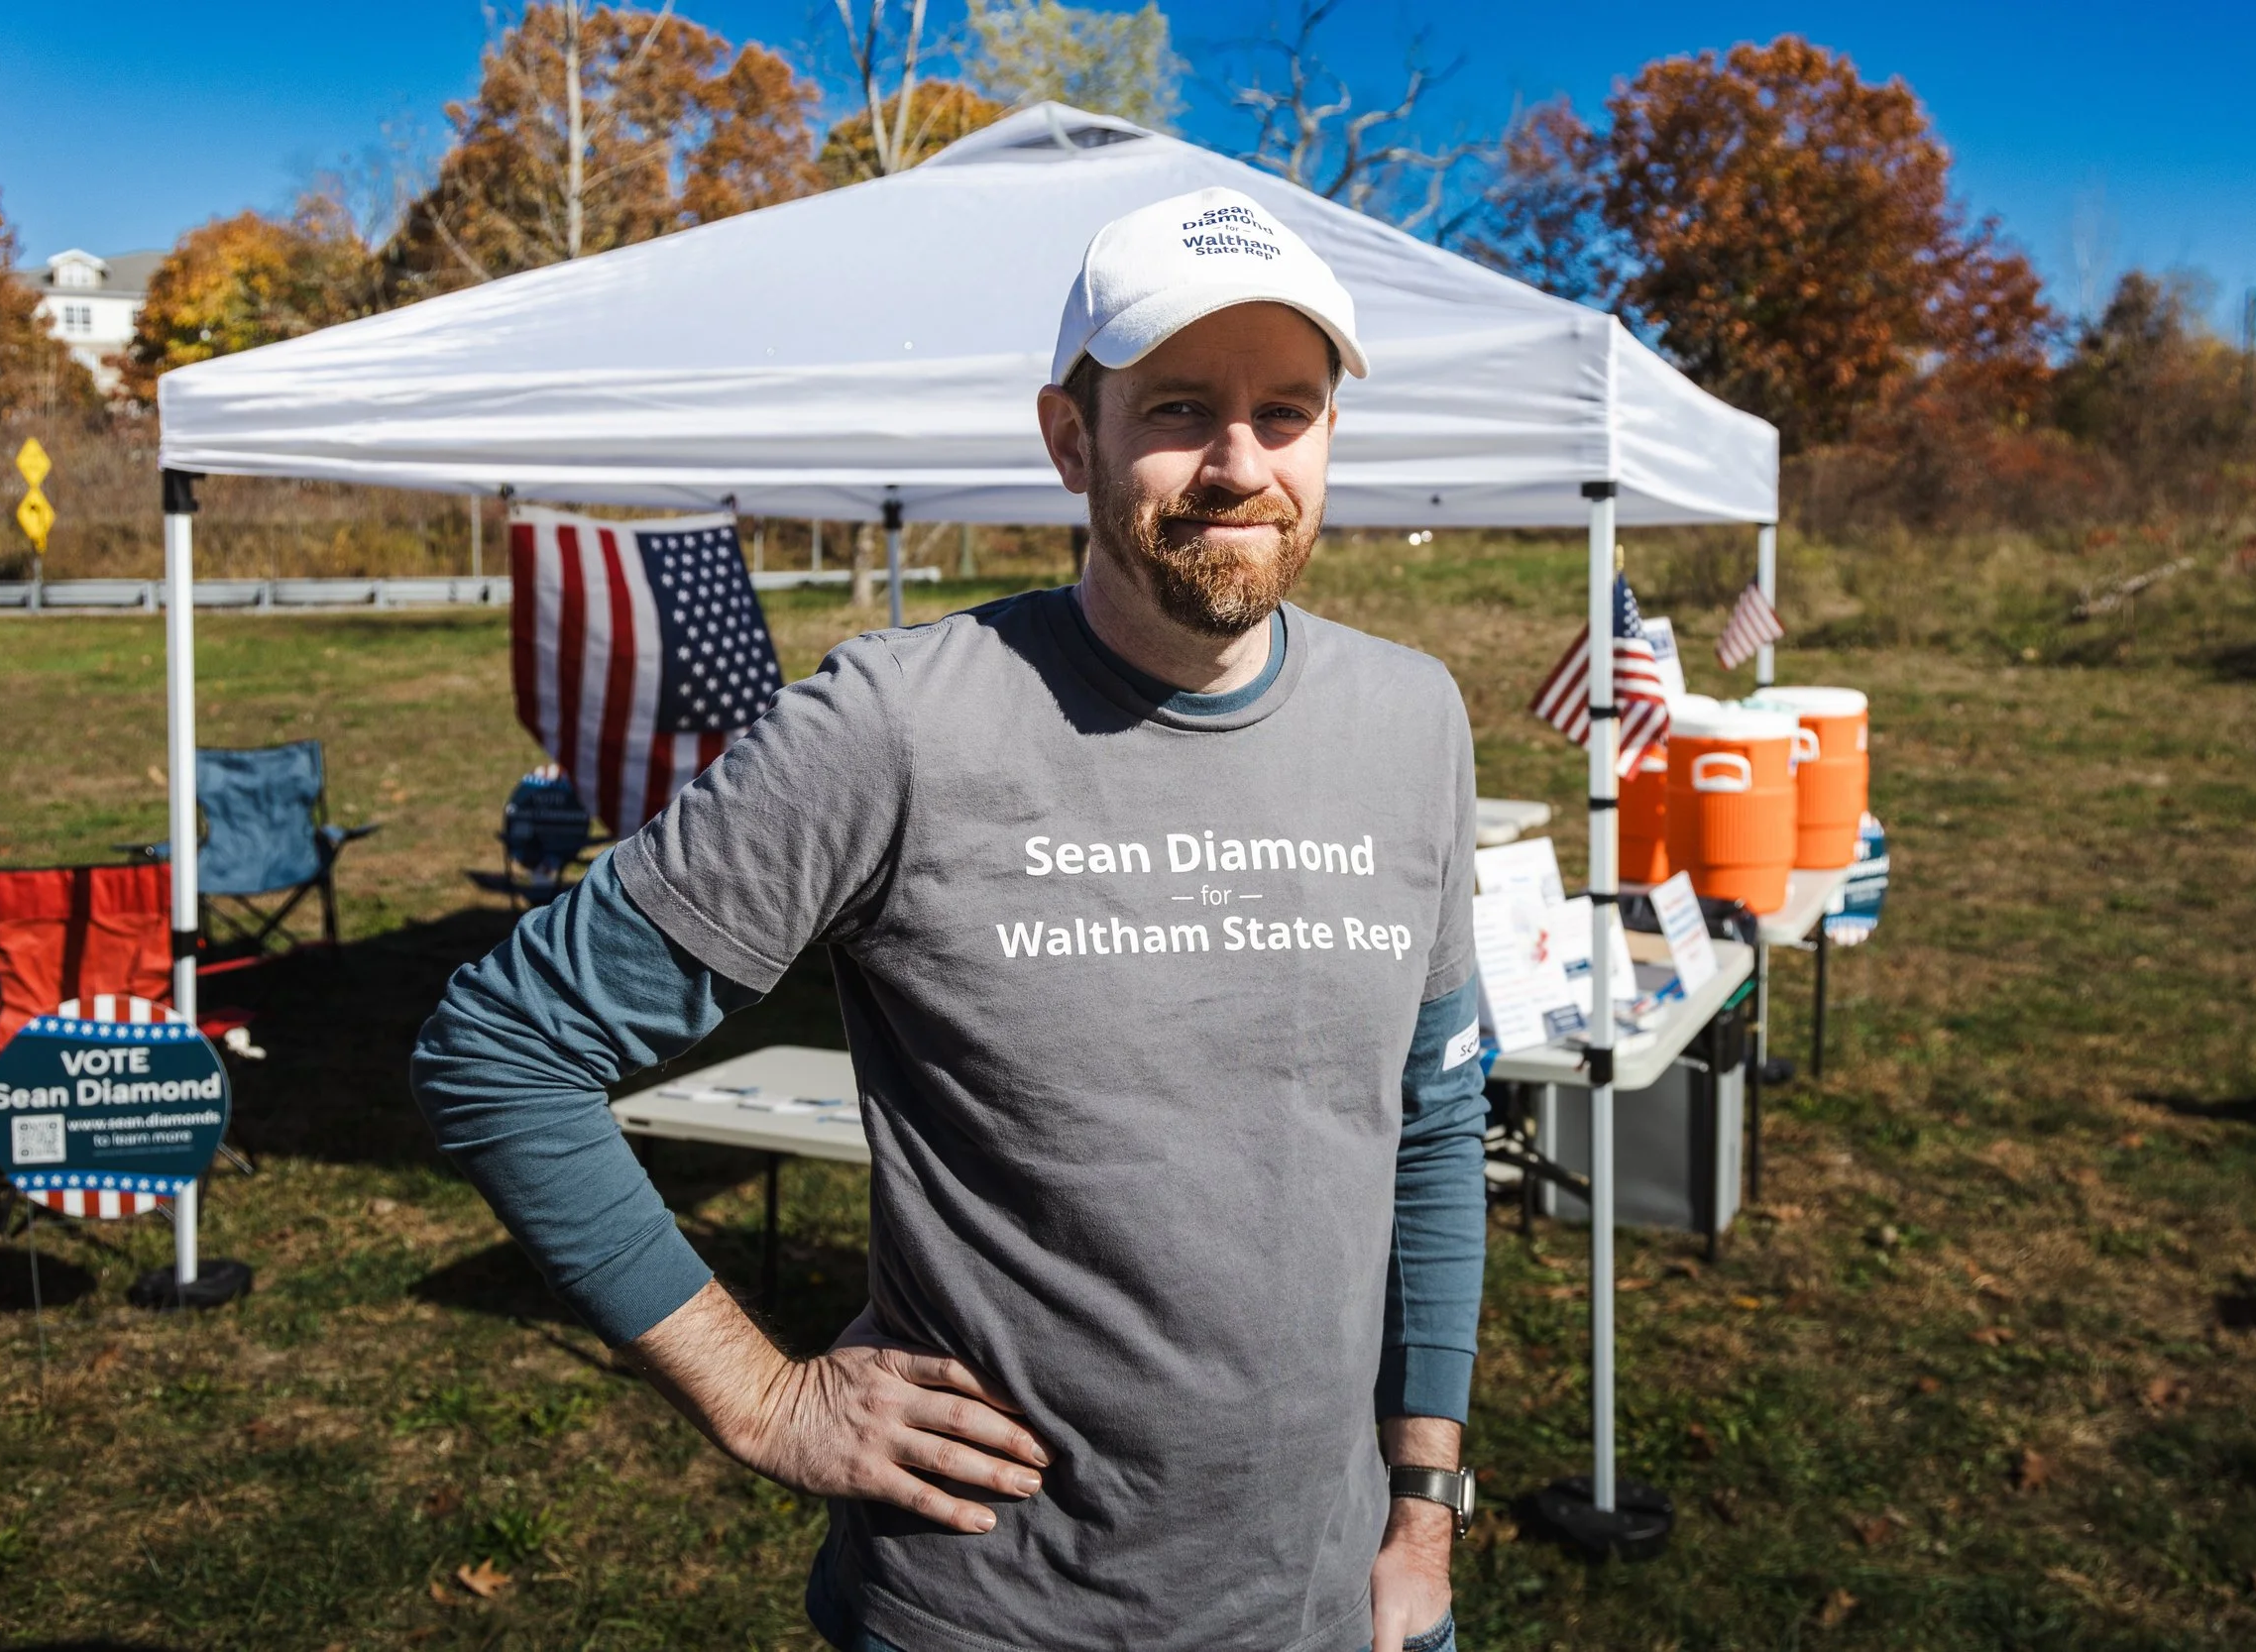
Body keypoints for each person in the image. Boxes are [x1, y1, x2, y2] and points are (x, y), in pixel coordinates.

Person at [411, 185, 1487, 1652]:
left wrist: (1420, 1506)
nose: (1240, 465)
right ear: (1069, 437)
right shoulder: (900, 725)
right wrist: (761, 1391)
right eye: (1179, 408)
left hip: (1330, 1603)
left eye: (1286, 413)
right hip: (994, 1610)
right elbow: (503, 1047)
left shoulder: (1413, 719)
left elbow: (1430, 1121)